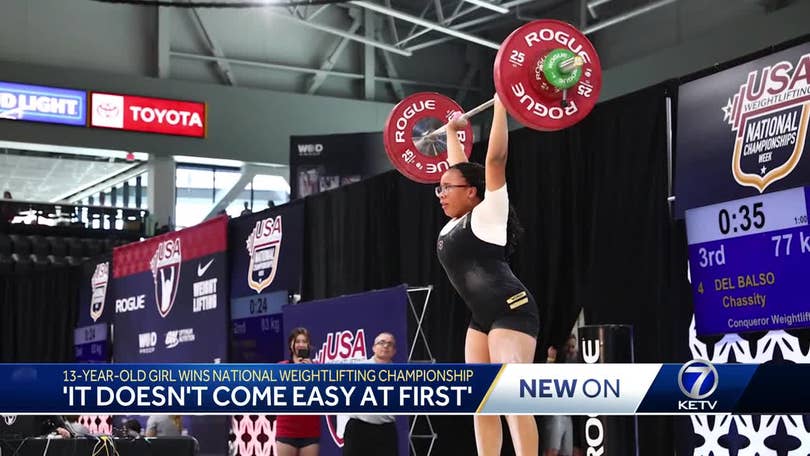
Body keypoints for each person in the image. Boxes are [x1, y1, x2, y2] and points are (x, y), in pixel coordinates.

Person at [437, 95, 540, 456]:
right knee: (480, 401)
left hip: (511, 310)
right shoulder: (457, 221)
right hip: (481, 318)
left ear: (472, 192)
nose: (441, 194)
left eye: (446, 188)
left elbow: (495, 160)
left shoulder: (490, 211)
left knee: (512, 399)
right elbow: (459, 167)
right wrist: (452, 131)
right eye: (440, 187)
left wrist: (502, 106)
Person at [342, 332, 398, 456]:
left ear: (394, 351)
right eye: (381, 343)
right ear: (373, 348)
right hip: (359, 428)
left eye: (390, 344)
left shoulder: (400, 374)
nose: (385, 346)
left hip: (385, 430)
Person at [275, 327, 320, 456]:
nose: (301, 344)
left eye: (304, 341)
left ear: (308, 345)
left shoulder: (316, 368)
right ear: (291, 345)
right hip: (287, 428)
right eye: (298, 341)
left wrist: (312, 373)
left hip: (310, 429)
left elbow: (323, 395)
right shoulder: (281, 367)